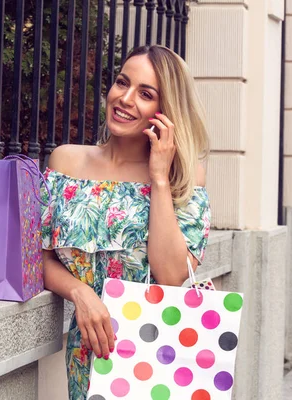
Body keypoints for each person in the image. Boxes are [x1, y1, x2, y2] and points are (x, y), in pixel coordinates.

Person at [40, 45, 212, 400]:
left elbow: (171, 275)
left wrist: (159, 178)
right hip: (90, 349)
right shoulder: (65, 162)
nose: (125, 98)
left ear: (165, 112)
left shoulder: (185, 178)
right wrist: (80, 292)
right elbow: (37, 259)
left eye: (145, 94)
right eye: (122, 83)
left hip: (159, 352)